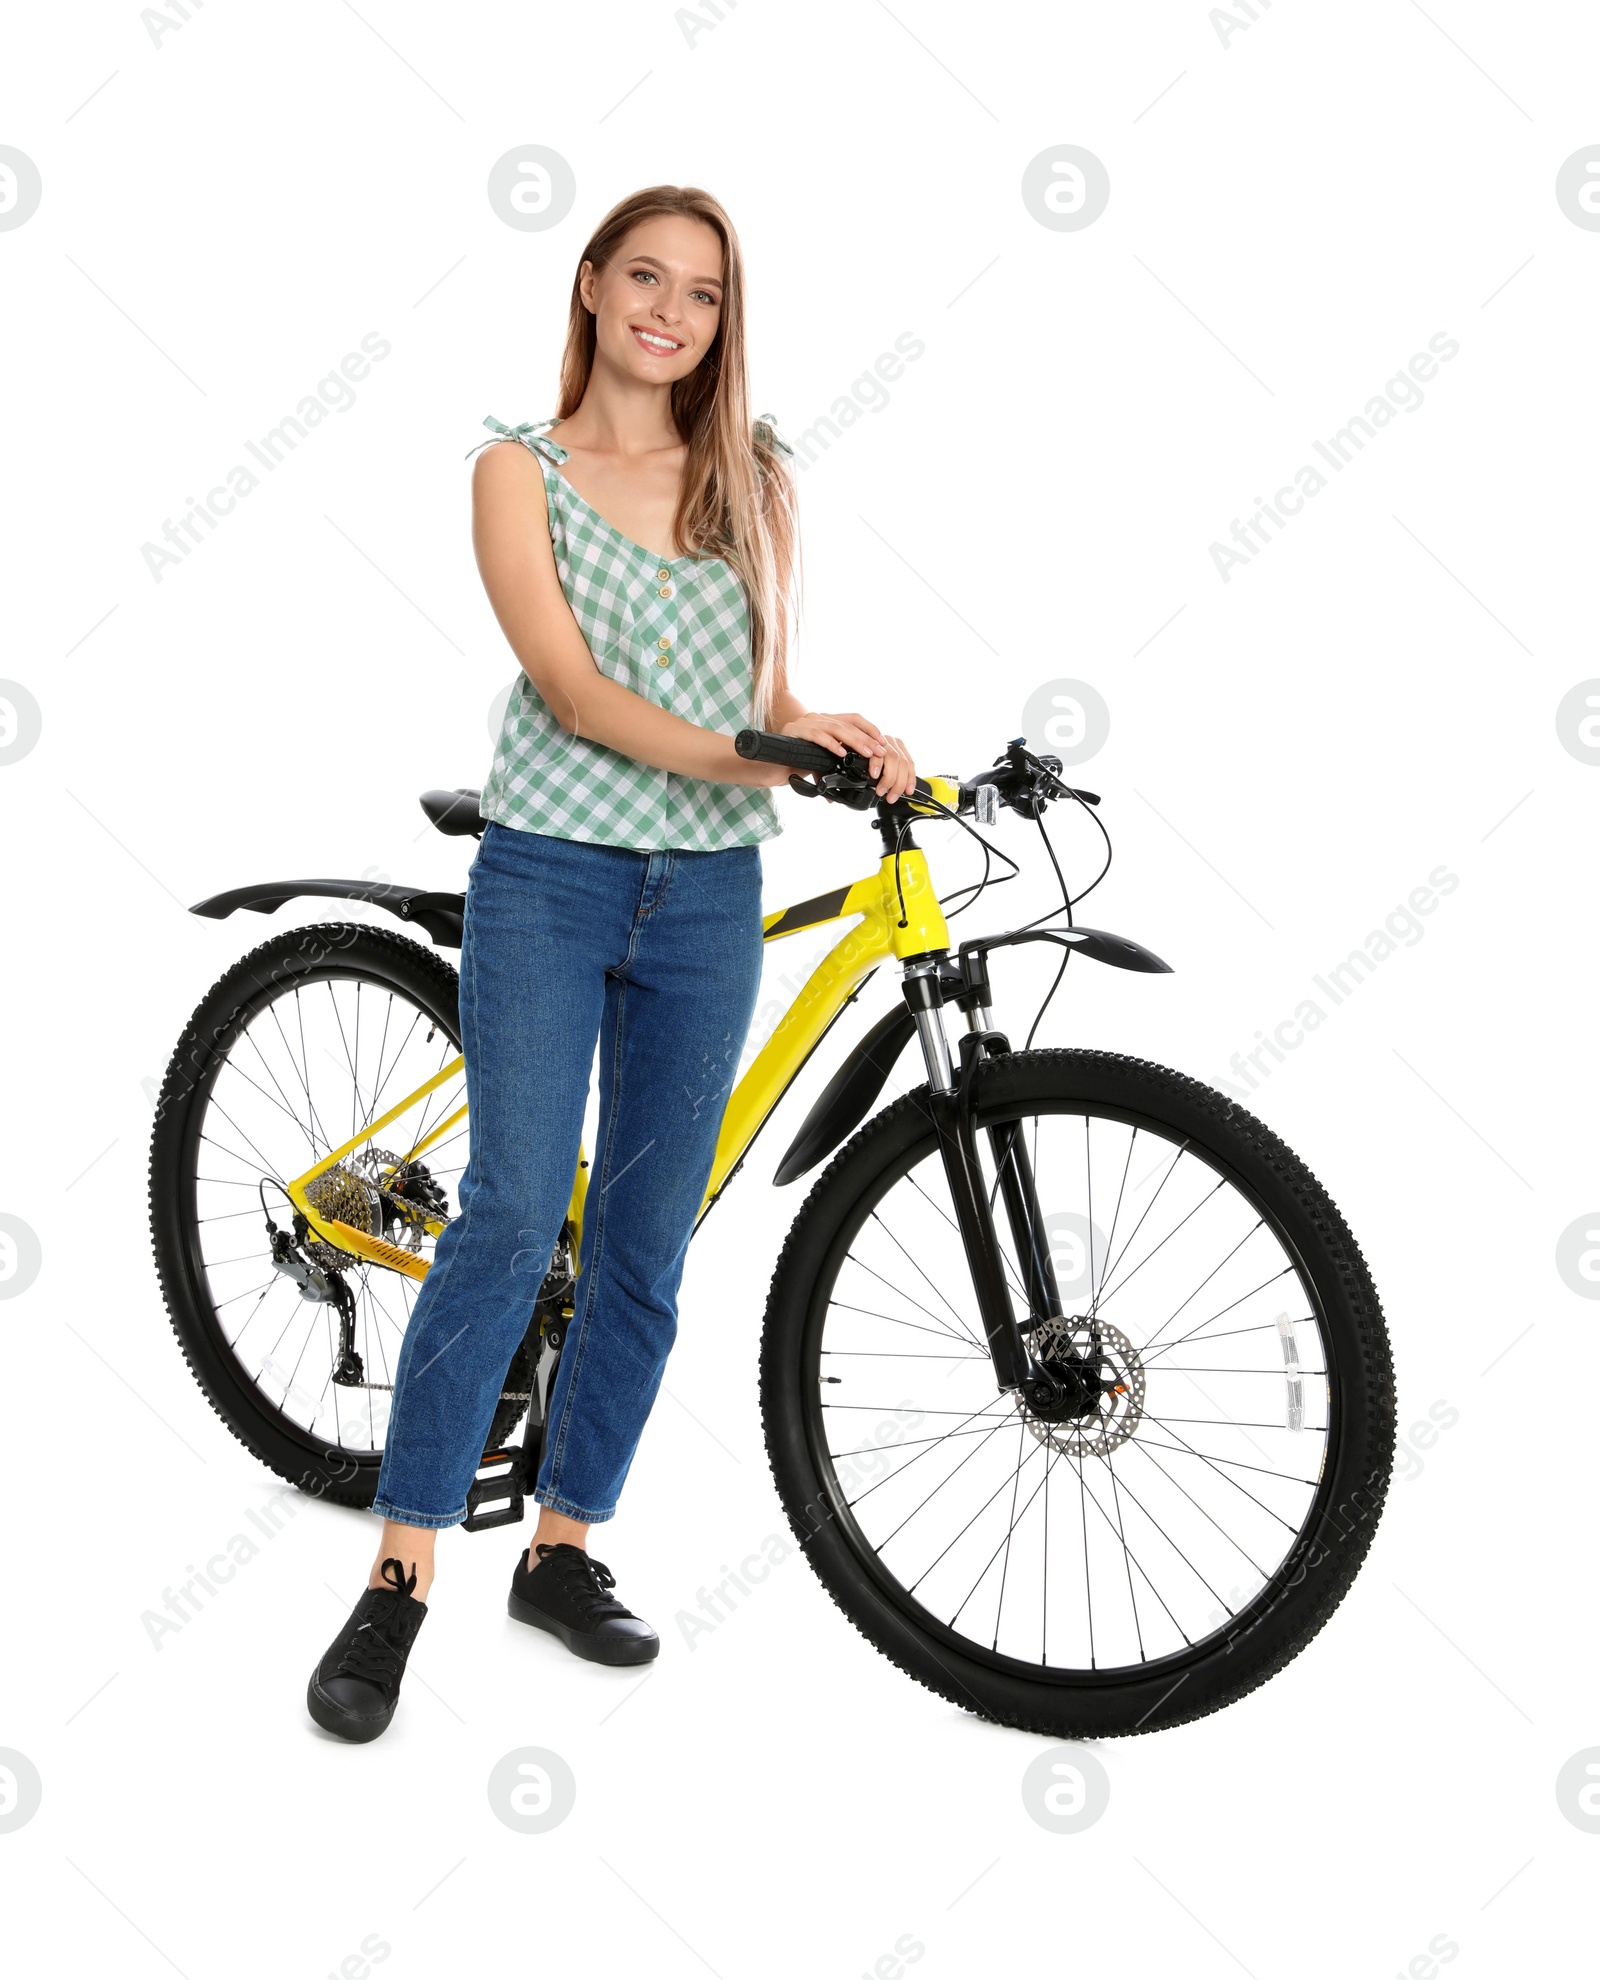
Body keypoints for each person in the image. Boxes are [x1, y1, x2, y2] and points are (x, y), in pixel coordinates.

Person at [307, 184, 918, 1741]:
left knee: (645, 1238)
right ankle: (401, 1574)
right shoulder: (519, 469)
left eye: (703, 293)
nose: (671, 309)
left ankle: (566, 1549)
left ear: (725, 320)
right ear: (589, 287)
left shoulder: (755, 474)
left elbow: (760, 682)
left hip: (708, 896)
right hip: (554, 876)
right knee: (513, 1215)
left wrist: (826, 729)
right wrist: (755, 756)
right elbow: (574, 694)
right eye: (644, 276)